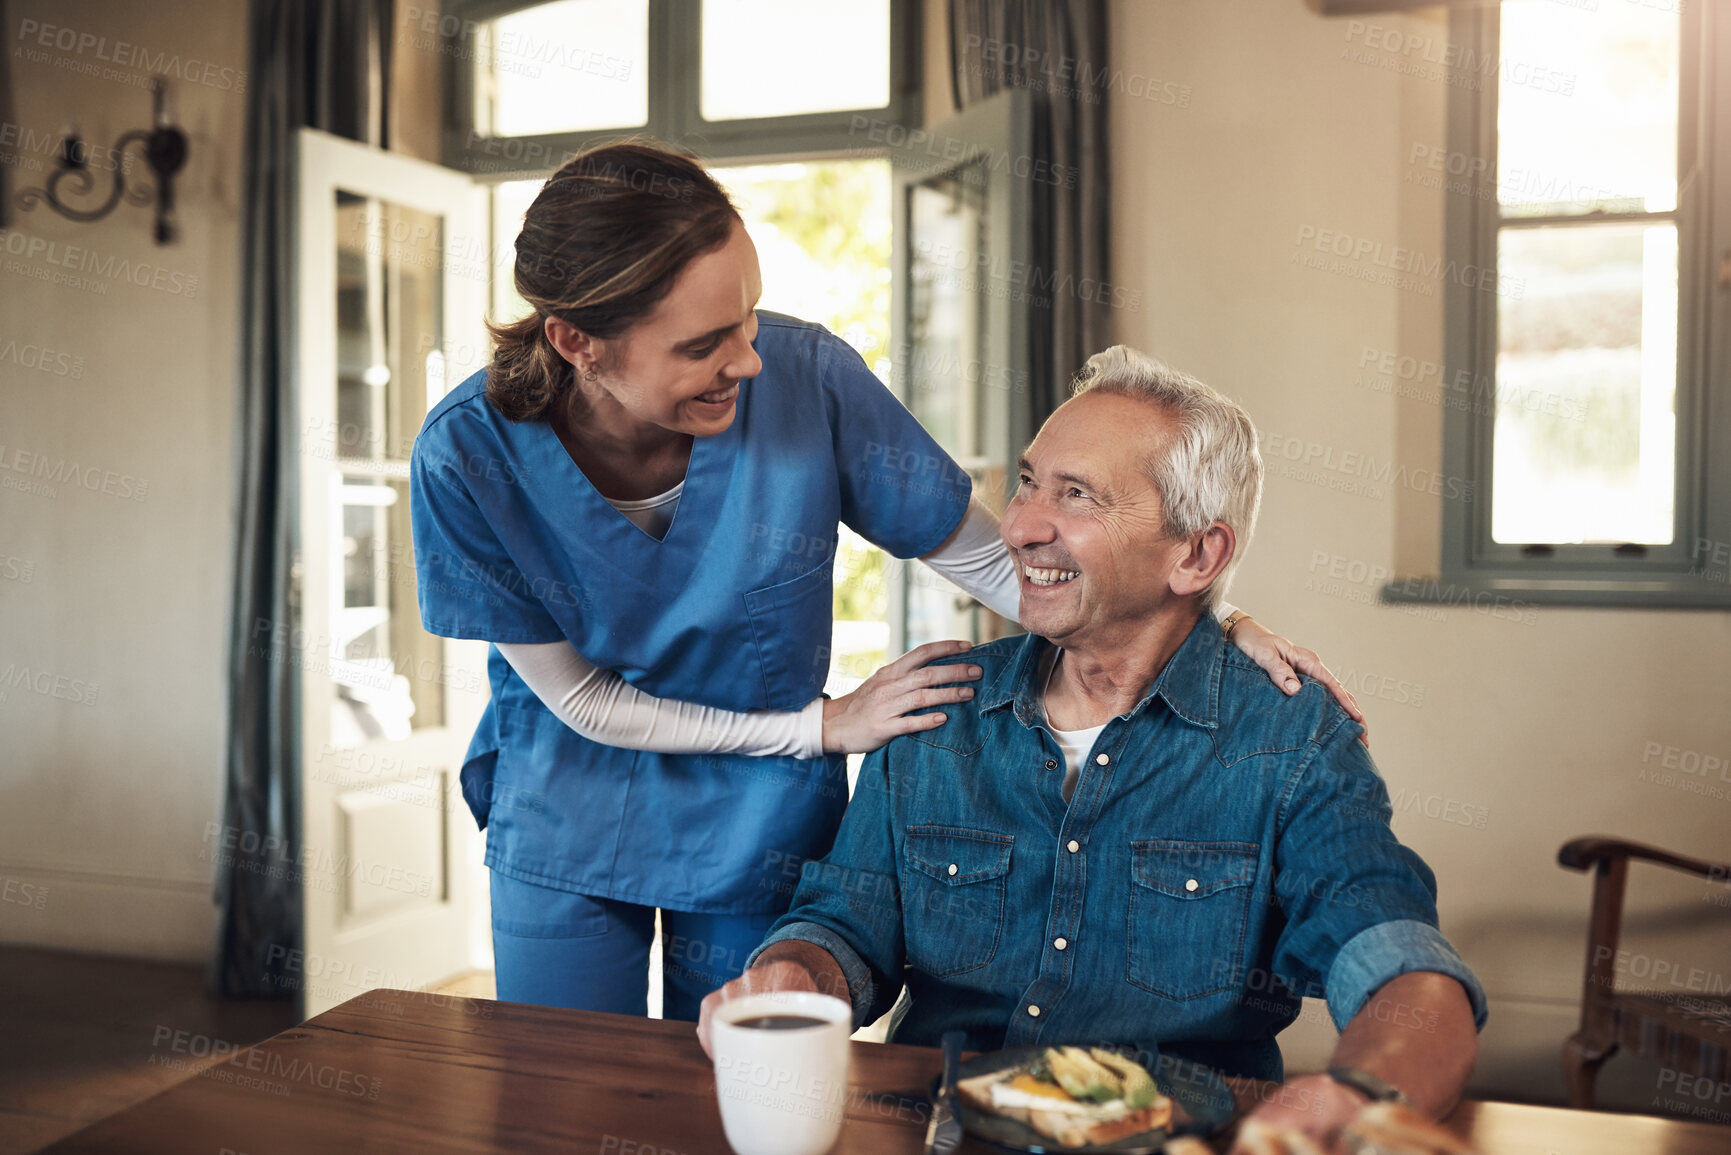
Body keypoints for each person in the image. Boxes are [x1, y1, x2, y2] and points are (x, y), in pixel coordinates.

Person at [410, 142, 1362, 1023]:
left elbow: (1003, 561)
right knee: (561, 1092)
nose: (746, 358)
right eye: (704, 344)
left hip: (758, 817)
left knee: (744, 1070)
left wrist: (1206, 619)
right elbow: (582, 697)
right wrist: (824, 726)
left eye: (746, 318)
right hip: (572, 802)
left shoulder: (806, 378)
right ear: (578, 341)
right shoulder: (466, 456)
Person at [696, 347, 1485, 1151]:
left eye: (1075, 496)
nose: (1017, 524)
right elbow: (843, 925)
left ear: (1196, 555)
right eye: (1029, 481)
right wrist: (796, 972)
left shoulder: (1291, 738)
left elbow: (1393, 957)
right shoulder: (940, 710)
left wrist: (1357, 1093)